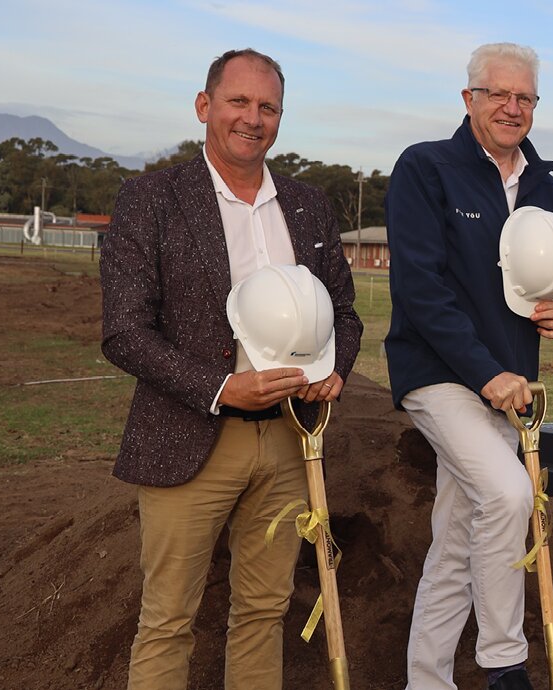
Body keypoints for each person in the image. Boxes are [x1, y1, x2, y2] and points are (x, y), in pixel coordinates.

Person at [101, 48, 362, 690]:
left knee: (265, 613)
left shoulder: (308, 205)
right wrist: (221, 387)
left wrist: (336, 368)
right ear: (204, 106)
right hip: (188, 435)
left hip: (290, 438)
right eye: (238, 101)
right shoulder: (150, 199)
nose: (253, 118)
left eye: (267, 106)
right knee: (167, 620)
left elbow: (344, 312)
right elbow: (124, 331)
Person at [385, 42, 553, 690]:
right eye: (498, 94)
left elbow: (550, 283)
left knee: (457, 541)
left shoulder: (547, 187)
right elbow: (420, 288)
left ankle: (426, 681)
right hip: (440, 374)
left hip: (509, 383)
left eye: (525, 97)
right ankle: (504, 664)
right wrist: (483, 371)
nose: (511, 107)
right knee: (508, 494)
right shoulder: (427, 168)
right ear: (469, 99)